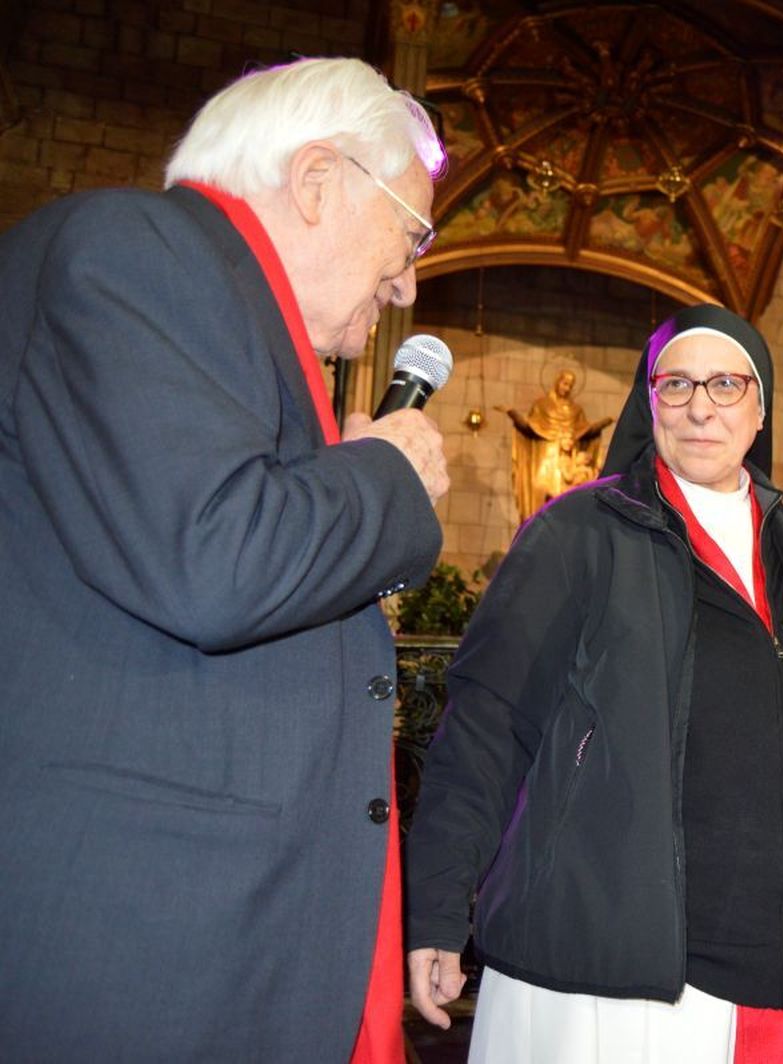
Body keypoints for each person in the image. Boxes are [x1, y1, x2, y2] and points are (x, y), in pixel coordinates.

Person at [0, 58, 450, 1061]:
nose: (408, 281)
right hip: (132, 946)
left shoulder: (217, 309)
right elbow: (215, 557)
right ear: (318, 180)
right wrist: (388, 475)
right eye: (412, 234)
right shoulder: (141, 251)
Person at [404, 305, 783, 1062]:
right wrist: (439, 908)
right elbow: (487, 726)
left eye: (726, 385)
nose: (701, 407)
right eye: (676, 385)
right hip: (614, 966)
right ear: (650, 402)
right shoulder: (578, 532)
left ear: (761, 409)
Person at [504, 367, 613, 520]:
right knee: (539, 492)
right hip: (545, 458)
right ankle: (535, 524)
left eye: (570, 386)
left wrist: (605, 422)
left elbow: (586, 431)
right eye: (564, 383)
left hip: (568, 461)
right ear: (557, 382)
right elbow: (530, 428)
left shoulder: (576, 410)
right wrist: (513, 413)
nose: (566, 388)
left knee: (566, 499)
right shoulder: (541, 405)